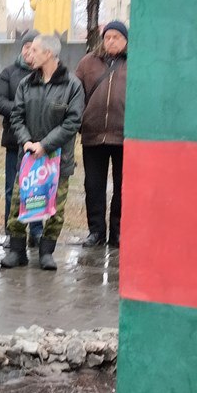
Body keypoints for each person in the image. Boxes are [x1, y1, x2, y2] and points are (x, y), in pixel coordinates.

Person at [1, 35, 84, 271]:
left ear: (48, 54)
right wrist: (27, 141)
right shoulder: (26, 84)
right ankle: (17, 251)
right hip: (29, 159)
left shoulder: (72, 85)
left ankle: (46, 253)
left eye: (35, 50)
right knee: (19, 204)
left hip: (58, 160)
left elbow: (72, 122)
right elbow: (16, 116)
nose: (29, 54)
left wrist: (45, 145)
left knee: (55, 208)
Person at [74, 20, 128, 248]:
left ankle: (118, 232)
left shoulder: (135, 63)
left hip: (123, 136)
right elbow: (75, 94)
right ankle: (95, 231)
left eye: (116, 37)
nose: (111, 41)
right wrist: (79, 121)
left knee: (122, 186)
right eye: (108, 37)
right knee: (93, 186)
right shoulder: (88, 63)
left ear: (126, 41)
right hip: (93, 134)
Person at [0, 29, 41, 243]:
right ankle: (12, 232)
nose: (30, 51)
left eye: (35, 48)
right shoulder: (9, 72)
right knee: (12, 188)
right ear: (22, 49)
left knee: (38, 187)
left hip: (40, 142)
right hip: (15, 141)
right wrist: (21, 109)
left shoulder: (47, 73)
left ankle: (37, 231)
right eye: (27, 47)